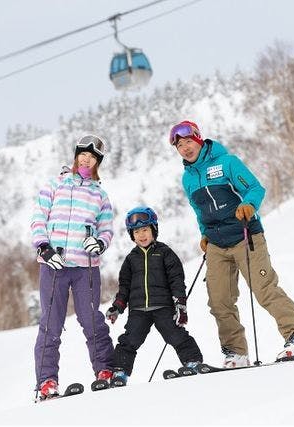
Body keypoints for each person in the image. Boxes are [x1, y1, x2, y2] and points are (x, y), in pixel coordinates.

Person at [169, 120, 294, 368]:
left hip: (245, 234)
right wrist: (204, 234)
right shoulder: (188, 179)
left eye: (188, 142)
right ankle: (236, 354)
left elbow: (255, 188)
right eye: (180, 146)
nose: (185, 149)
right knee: (219, 301)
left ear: (198, 139)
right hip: (216, 244)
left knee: (264, 289)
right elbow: (198, 210)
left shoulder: (227, 163)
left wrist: (248, 205)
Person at [31, 134, 115, 399]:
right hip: (53, 264)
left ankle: (105, 370)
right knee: (50, 324)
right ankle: (46, 381)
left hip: (86, 268)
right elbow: (38, 219)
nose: (86, 159)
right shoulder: (55, 184)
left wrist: (100, 243)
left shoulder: (99, 193)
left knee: (91, 320)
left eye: (92, 157)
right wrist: (43, 247)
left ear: (97, 162)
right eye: (83, 154)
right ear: (76, 155)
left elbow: (107, 228)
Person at [104, 206, 203, 386]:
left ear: (153, 230)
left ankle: (193, 362)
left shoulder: (165, 253)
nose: (141, 235)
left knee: (176, 335)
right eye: (136, 232)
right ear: (131, 235)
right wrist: (117, 307)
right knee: (129, 340)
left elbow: (176, 280)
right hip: (138, 310)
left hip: (163, 306)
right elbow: (124, 287)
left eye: (145, 230)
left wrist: (180, 304)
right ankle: (120, 373)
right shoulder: (130, 259)